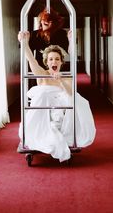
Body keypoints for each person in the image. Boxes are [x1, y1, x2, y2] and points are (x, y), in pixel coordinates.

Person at [18, 31, 96, 162]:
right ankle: (42, 132)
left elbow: (71, 93)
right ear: (46, 62)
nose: (54, 61)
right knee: (42, 94)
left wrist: (60, 80)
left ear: (61, 62)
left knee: (75, 99)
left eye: (57, 59)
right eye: (51, 59)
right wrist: (24, 42)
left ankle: (62, 131)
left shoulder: (66, 77)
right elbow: (31, 59)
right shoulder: (41, 74)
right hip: (44, 110)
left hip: (62, 111)